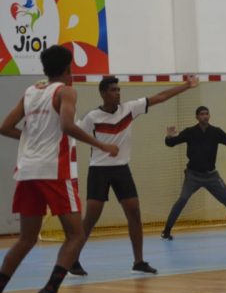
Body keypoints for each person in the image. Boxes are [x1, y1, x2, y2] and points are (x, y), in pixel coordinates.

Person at [0, 45, 119, 293]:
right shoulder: (66, 91)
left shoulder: (31, 92)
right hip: (53, 171)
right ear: (68, 69)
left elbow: (5, 126)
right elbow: (66, 125)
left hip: (27, 171)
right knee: (76, 235)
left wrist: (30, 143)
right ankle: (51, 290)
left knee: (26, 239)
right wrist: (101, 144)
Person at [66, 75, 199, 277]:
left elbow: (160, 97)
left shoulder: (130, 109)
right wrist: (99, 146)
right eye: (113, 90)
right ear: (102, 93)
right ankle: (72, 260)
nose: (117, 93)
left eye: (118, 89)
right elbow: (74, 132)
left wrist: (187, 86)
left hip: (121, 169)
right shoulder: (92, 117)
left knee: (134, 212)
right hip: (99, 170)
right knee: (92, 217)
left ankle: (138, 261)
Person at [160, 106, 226, 239]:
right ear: (197, 117)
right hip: (192, 175)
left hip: (211, 176)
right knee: (182, 200)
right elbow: (171, 143)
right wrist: (168, 136)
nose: (204, 116)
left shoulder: (216, 132)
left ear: (209, 116)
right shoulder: (189, 132)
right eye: (201, 114)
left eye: (206, 114)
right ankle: (166, 231)